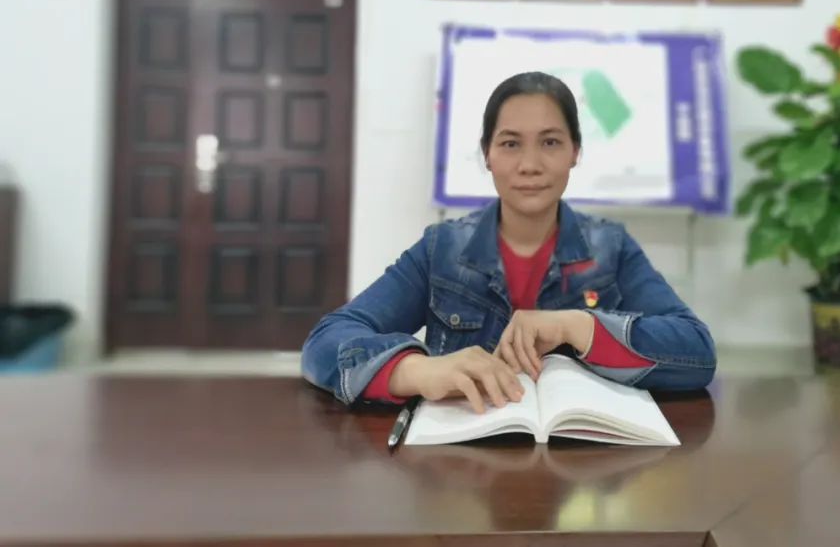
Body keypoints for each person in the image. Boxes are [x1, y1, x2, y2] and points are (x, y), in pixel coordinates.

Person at [301, 71, 716, 412]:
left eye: (550, 142)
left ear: (575, 151)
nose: (530, 165)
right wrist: (416, 371)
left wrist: (577, 325)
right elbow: (325, 342)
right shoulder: (441, 249)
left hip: (582, 460)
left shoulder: (611, 248)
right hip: (464, 459)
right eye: (510, 144)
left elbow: (696, 351)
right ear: (487, 154)